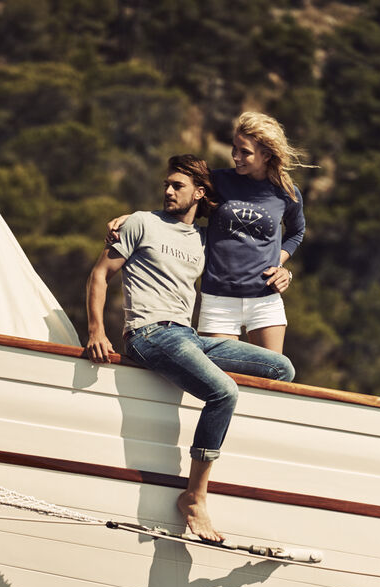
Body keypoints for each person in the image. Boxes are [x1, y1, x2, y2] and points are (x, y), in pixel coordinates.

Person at [86, 155, 295, 543]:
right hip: (149, 333)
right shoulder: (140, 223)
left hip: (188, 336)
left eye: (177, 186)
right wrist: (96, 331)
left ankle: (230, 444)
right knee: (223, 392)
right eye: (166, 184)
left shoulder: (203, 238)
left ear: (199, 193)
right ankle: (195, 497)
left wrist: (284, 269)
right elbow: (100, 275)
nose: (168, 191)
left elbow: (255, 250)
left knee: (281, 368)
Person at [199, 111, 309, 353]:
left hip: (265, 300)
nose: (235, 156)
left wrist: (279, 265)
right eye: (234, 148)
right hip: (218, 300)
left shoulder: (287, 193)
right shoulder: (217, 181)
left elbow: (296, 232)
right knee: (220, 374)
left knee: (274, 372)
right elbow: (181, 206)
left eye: (245, 152)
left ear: (266, 155)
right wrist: (139, 220)